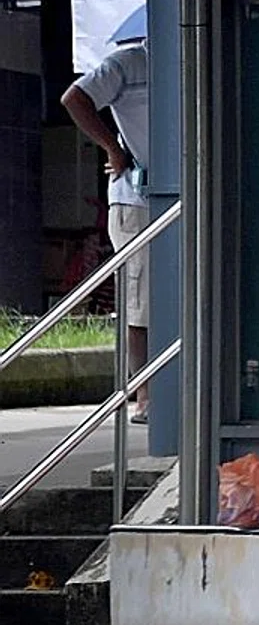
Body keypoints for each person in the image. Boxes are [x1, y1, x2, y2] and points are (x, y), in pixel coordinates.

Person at [61, 30, 151, 422]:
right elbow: (74, 98)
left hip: (188, 194)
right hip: (137, 198)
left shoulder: (194, 63)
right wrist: (113, 148)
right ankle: (145, 394)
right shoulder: (128, 63)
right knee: (141, 301)